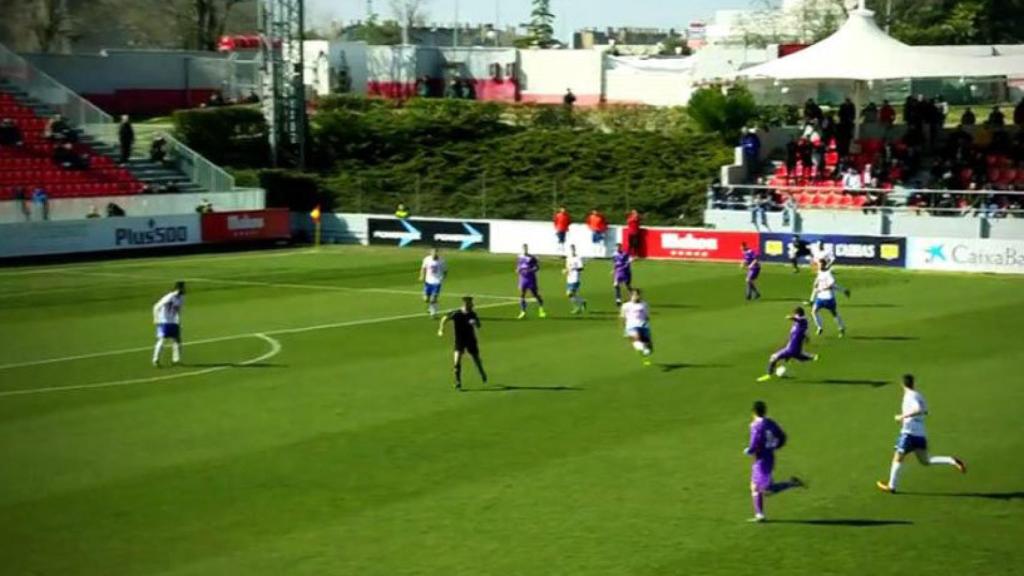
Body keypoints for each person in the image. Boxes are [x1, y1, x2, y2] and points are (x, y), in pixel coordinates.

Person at [876, 374, 966, 493]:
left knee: (897, 458)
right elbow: (925, 411)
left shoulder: (909, 396)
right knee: (926, 461)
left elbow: (918, 409)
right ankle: (952, 460)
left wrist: (902, 417)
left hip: (909, 433)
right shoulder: (919, 395)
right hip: (920, 433)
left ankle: (891, 486)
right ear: (913, 383)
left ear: (902, 384)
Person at [744, 400, 804, 523]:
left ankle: (792, 483)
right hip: (769, 456)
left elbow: (755, 443)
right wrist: (775, 446)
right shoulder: (770, 422)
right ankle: (759, 515)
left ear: (754, 412)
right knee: (756, 486)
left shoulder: (755, 425)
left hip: (761, 460)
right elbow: (782, 436)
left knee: (765, 489)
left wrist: (749, 451)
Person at [437, 296, 487, 391]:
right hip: (460, 340)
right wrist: (441, 329)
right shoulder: (456, 313)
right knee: (456, 362)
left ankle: (481, 372)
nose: (472, 305)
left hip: (471, 340)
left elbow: (479, 325)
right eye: (471, 303)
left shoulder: (473, 314)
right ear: (466, 304)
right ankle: (458, 382)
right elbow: (444, 318)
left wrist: (475, 323)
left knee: (476, 359)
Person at [757, 307, 818, 382]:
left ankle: (768, 375)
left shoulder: (802, 320)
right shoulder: (799, 324)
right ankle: (812, 357)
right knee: (798, 356)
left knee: (774, 357)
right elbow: (800, 332)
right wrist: (805, 337)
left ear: (797, 314)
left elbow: (798, 320)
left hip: (791, 349)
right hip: (792, 347)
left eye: (795, 314)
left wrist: (790, 317)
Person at [152, 281, 185, 367]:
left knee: (177, 340)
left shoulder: (181, 298)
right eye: (183, 287)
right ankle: (156, 360)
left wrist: (179, 321)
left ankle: (176, 360)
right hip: (164, 321)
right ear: (178, 288)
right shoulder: (170, 297)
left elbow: (178, 310)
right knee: (162, 340)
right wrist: (156, 319)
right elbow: (156, 306)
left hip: (173, 322)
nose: (184, 289)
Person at [809, 264, 847, 337]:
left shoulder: (828, 273)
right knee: (814, 311)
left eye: (819, 264)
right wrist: (816, 285)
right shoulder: (819, 273)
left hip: (829, 297)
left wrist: (822, 288)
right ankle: (819, 327)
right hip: (820, 297)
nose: (818, 266)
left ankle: (841, 328)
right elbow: (816, 284)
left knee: (834, 314)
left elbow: (832, 284)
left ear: (823, 265)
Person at [619, 289, 653, 365]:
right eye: (635, 295)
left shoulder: (644, 304)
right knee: (636, 337)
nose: (637, 297)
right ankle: (642, 348)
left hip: (643, 325)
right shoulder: (626, 305)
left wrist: (646, 323)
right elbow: (622, 317)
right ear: (631, 296)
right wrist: (624, 328)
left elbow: (647, 317)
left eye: (638, 295)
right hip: (631, 325)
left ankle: (642, 348)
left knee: (649, 348)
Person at [516, 244, 547, 319]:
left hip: (531, 279)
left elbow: (537, 267)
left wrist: (530, 270)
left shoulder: (532, 258)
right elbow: (518, 266)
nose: (525, 250)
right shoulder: (519, 257)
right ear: (522, 249)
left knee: (535, 294)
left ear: (527, 249)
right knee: (521, 295)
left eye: (526, 248)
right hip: (523, 279)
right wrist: (518, 270)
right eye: (523, 248)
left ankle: (541, 309)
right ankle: (523, 311)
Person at [420, 247, 446, 317]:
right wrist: (422, 276)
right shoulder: (426, 259)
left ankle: (433, 310)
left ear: (437, 253)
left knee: (433, 298)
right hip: (428, 282)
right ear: (430, 253)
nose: (434, 254)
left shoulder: (442, 261)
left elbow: (445, 270)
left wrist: (443, 277)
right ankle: (433, 305)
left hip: (437, 282)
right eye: (433, 252)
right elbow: (423, 268)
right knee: (426, 299)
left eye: (435, 252)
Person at [564, 244, 587, 314]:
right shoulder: (568, 258)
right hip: (569, 278)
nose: (572, 251)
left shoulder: (578, 258)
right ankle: (582, 302)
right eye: (571, 249)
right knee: (571, 295)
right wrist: (566, 271)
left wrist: (574, 268)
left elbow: (581, 268)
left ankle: (577, 307)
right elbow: (567, 267)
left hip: (575, 278)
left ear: (575, 250)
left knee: (569, 293)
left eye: (573, 249)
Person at [611, 242, 633, 306]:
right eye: (616, 247)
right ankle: (618, 299)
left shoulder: (625, 254)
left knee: (627, 286)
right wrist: (613, 270)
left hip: (626, 272)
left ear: (621, 247)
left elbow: (630, 259)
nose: (617, 248)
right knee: (616, 285)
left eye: (619, 247)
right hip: (618, 272)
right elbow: (614, 263)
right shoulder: (614, 255)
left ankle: (633, 295)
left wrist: (629, 261)